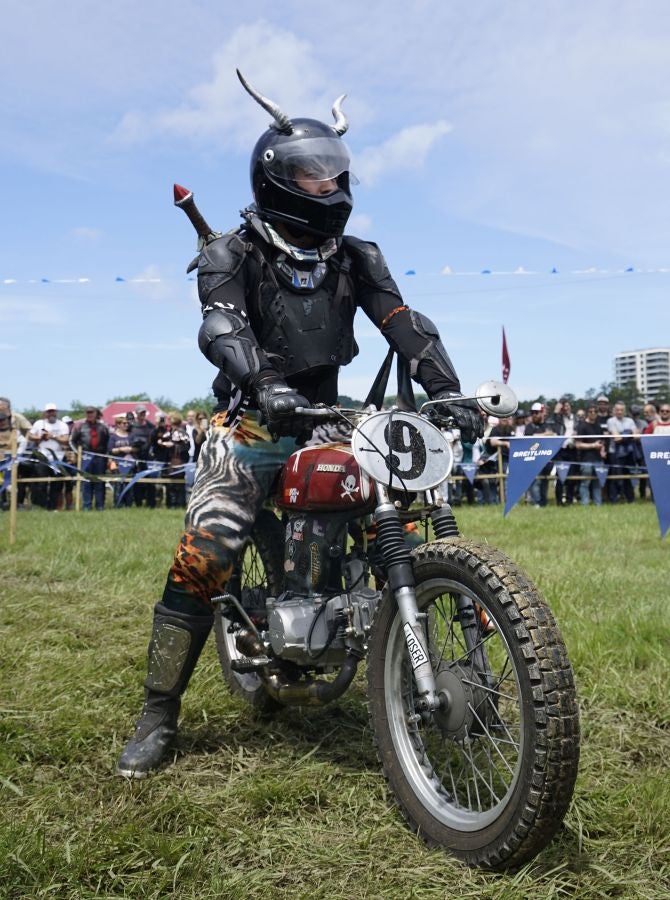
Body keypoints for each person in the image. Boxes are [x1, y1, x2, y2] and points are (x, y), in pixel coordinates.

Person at [116, 70, 483, 778]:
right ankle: (159, 712)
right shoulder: (232, 253)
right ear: (275, 176)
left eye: (335, 172)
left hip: (328, 418)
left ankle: (393, 646)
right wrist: (265, 382)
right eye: (312, 174)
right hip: (252, 420)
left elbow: (403, 323)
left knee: (393, 515)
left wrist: (446, 390)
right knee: (208, 552)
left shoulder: (358, 256)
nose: (328, 186)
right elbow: (220, 326)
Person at [26, 403, 71, 509]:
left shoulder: (62, 425)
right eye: (49, 411)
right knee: (41, 482)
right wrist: (39, 437)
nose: (51, 413)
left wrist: (53, 436)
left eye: (53, 411)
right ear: (45, 413)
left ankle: (53, 506)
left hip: (58, 457)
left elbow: (65, 440)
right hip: (42, 455)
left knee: (56, 483)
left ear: (56, 412)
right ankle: (42, 505)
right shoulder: (39, 423)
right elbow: (30, 435)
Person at [70, 407, 110, 510]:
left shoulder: (103, 427)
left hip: (100, 457)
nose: (90, 415)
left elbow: (107, 443)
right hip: (86, 457)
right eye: (87, 413)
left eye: (92, 412)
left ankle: (100, 506)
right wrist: (78, 453)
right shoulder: (80, 427)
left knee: (99, 481)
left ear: (96, 414)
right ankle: (86, 506)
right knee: (86, 481)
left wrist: (107, 455)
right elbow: (72, 441)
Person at [606, 402, 639, 503]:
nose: (619, 412)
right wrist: (629, 433)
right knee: (615, 476)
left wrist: (623, 434)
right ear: (614, 411)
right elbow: (616, 438)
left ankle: (630, 499)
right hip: (614, 453)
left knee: (628, 476)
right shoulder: (611, 421)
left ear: (624, 411)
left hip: (629, 453)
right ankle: (614, 500)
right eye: (617, 410)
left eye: (621, 410)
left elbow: (637, 436)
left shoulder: (630, 420)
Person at [574, 404, 606, 505]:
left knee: (598, 483)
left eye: (595, 412)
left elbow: (602, 441)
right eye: (591, 411)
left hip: (598, 459)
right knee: (585, 483)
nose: (593, 413)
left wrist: (602, 449)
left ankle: (598, 504)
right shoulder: (581, 426)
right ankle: (585, 505)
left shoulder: (598, 426)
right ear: (587, 413)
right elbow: (578, 445)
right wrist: (593, 445)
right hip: (586, 459)